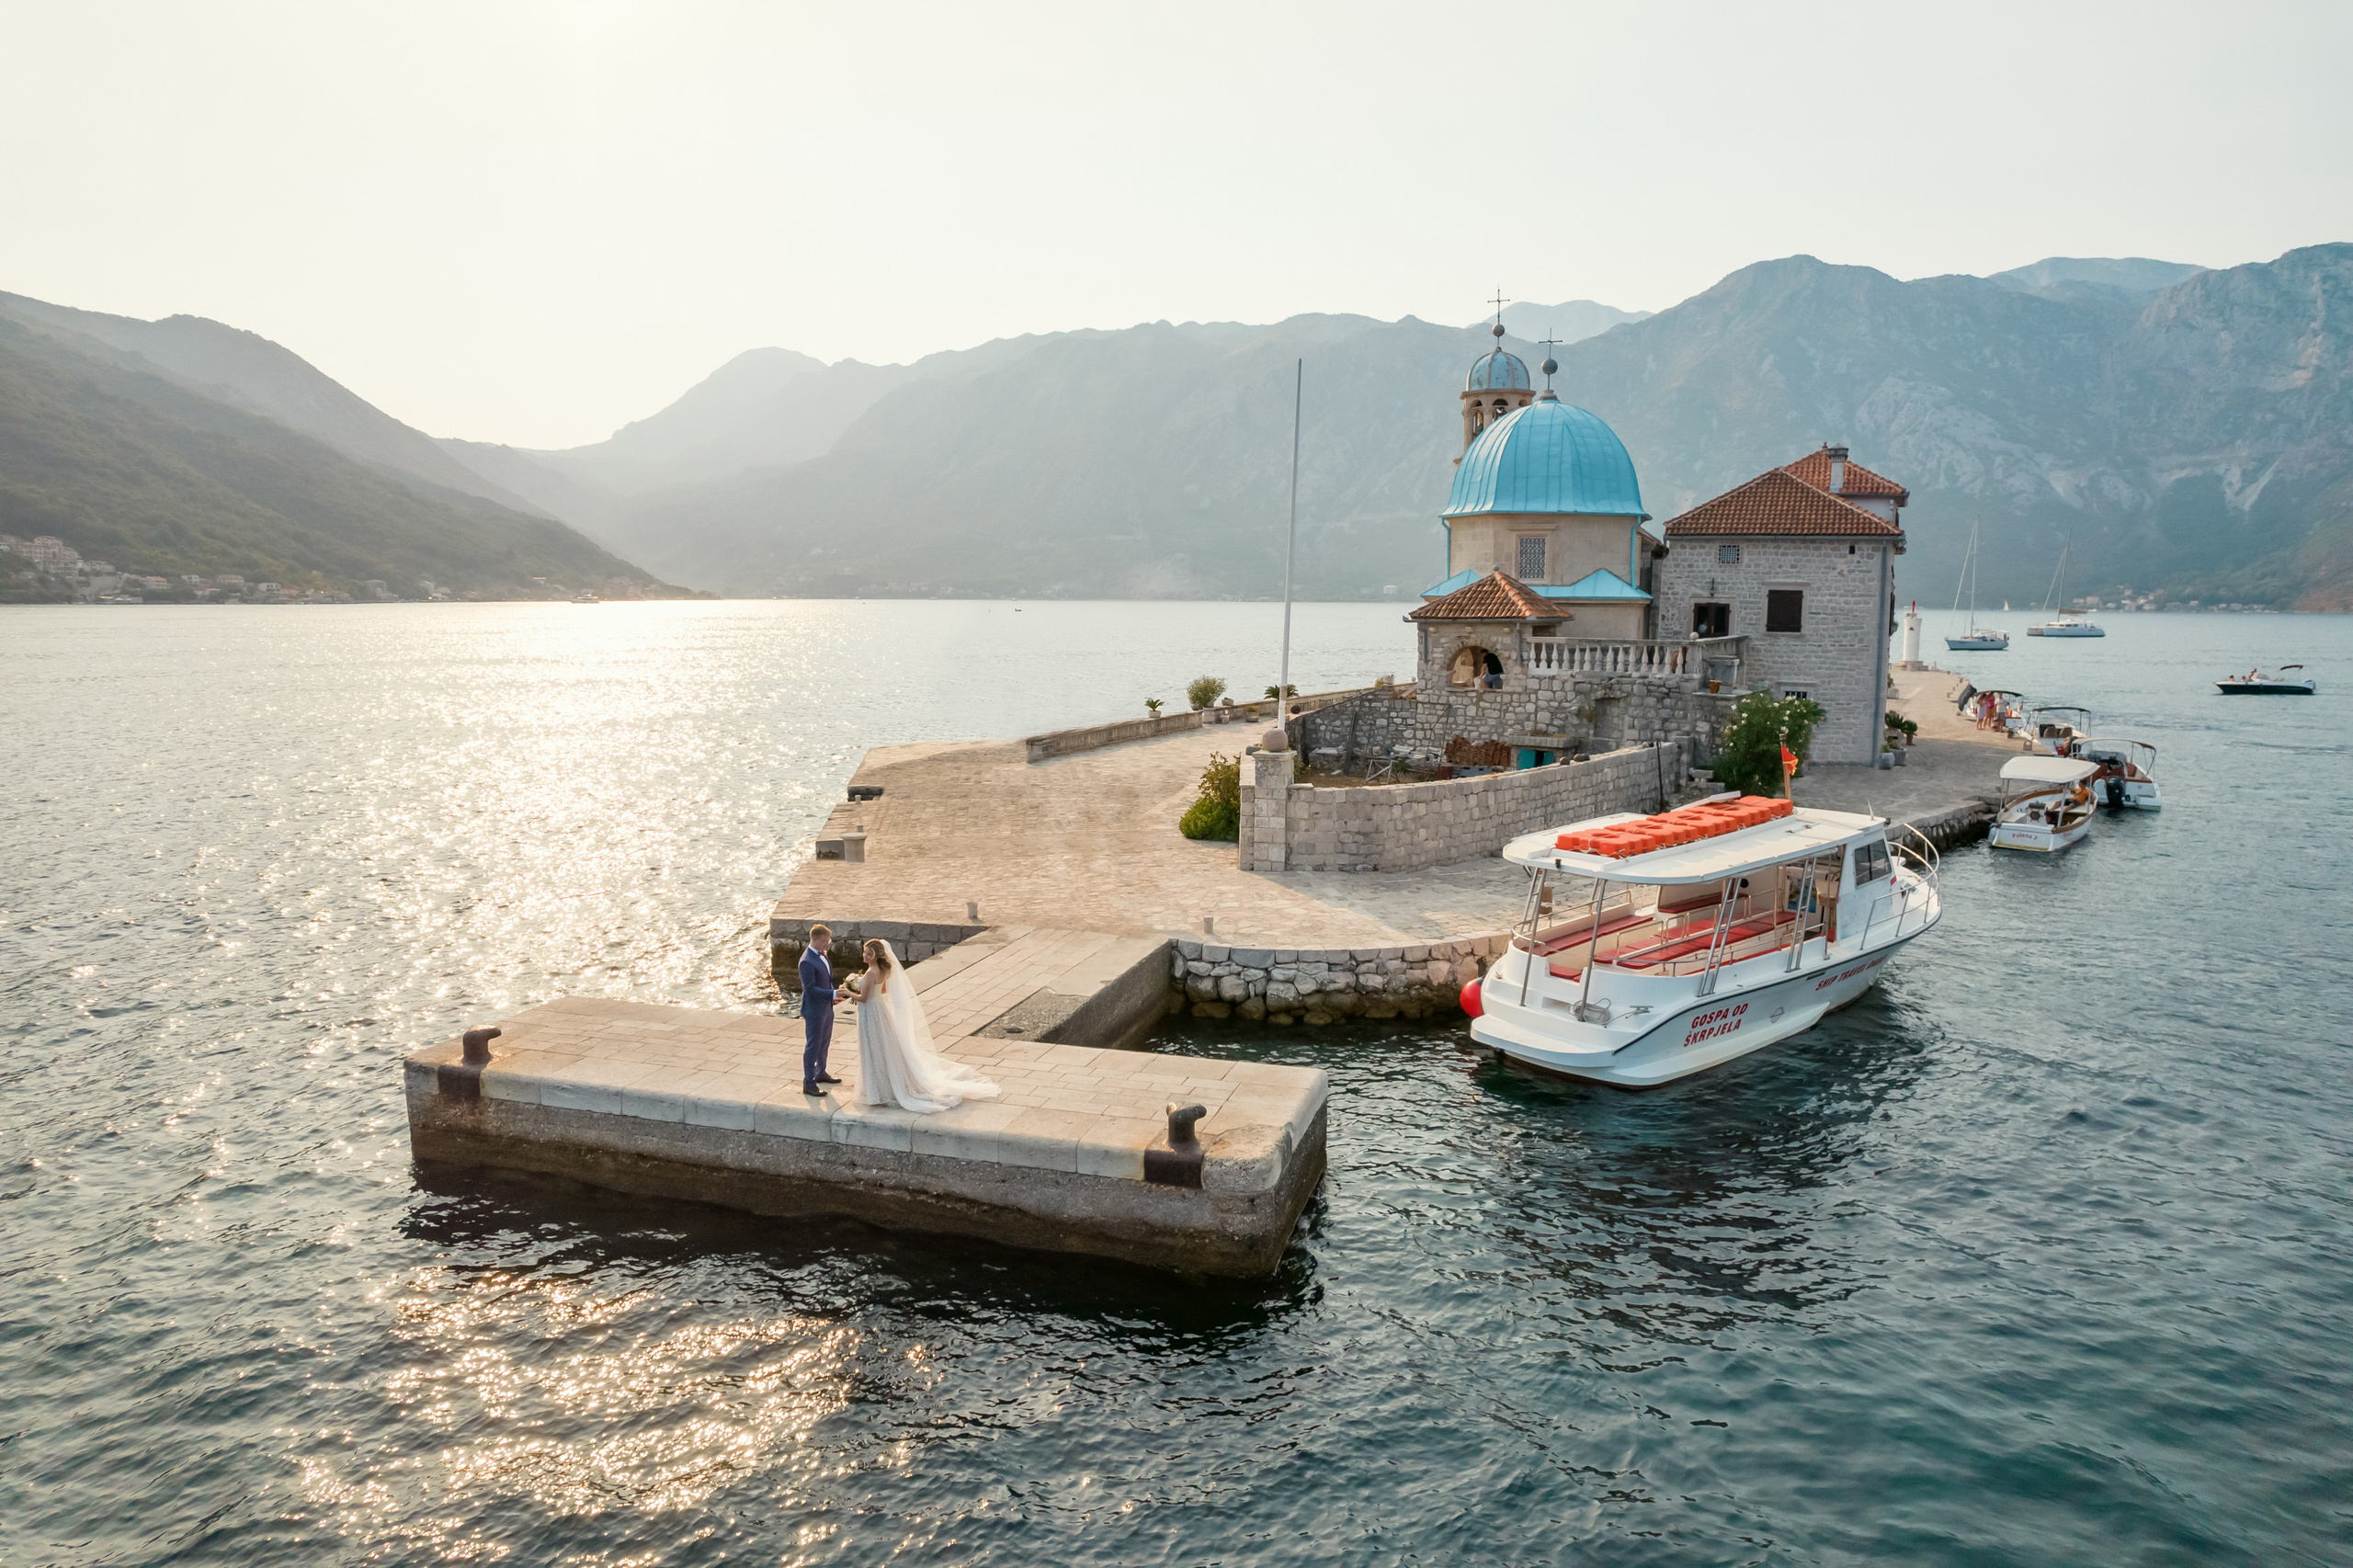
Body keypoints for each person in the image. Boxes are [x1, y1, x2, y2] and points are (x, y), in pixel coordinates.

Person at [846, 939, 1000, 1113]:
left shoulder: (871, 973)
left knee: (874, 1047)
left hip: (871, 1013)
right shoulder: (881, 970)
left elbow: (864, 999)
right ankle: (881, 1085)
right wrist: (861, 986)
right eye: (864, 952)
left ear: (875, 955)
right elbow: (881, 991)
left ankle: (876, 1089)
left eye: (868, 953)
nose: (864, 955)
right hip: (880, 1010)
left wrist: (848, 992)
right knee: (882, 1047)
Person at [798, 925, 842, 1096]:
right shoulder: (807, 961)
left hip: (826, 1008)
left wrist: (833, 994)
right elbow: (811, 990)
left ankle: (821, 1072)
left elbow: (825, 979)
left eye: (828, 941)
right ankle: (808, 1083)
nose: (826, 945)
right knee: (813, 1046)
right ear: (814, 939)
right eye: (824, 941)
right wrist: (832, 993)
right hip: (814, 1010)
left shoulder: (822, 956)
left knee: (824, 1043)